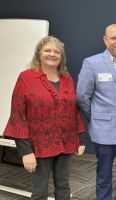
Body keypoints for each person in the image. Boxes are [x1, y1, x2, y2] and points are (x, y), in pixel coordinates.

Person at [3, 36, 85, 200]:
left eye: (57, 51)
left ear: (61, 57)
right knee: (40, 192)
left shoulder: (67, 79)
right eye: (47, 50)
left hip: (66, 142)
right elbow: (18, 115)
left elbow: (73, 110)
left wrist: (80, 140)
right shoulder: (26, 77)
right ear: (38, 53)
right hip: (39, 145)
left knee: (63, 187)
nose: (52, 54)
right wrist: (26, 152)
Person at [76, 24, 116, 200]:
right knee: (104, 177)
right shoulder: (92, 63)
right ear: (105, 40)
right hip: (104, 131)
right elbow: (82, 97)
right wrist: (96, 117)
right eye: (113, 38)